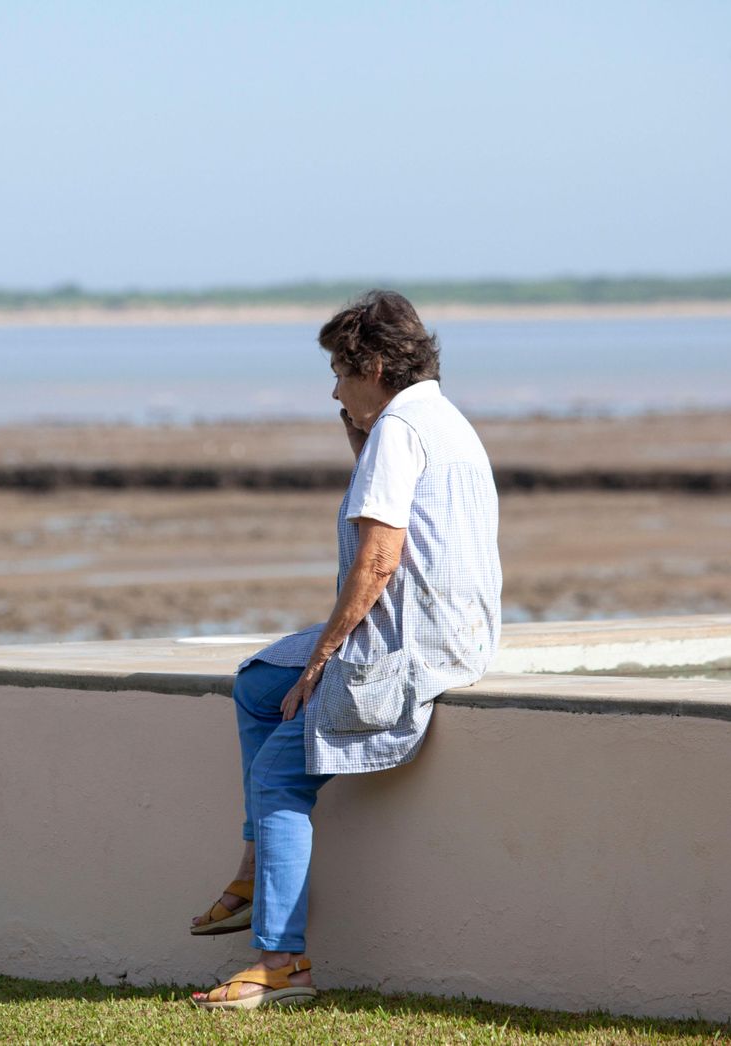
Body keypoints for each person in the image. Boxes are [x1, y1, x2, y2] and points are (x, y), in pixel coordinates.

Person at [190, 289, 502, 1010]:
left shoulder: (399, 431)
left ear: (379, 366)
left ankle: (281, 963)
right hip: (450, 636)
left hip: (405, 652)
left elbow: (379, 560)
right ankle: (252, 867)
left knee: (277, 777)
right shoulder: (439, 419)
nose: (333, 387)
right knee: (260, 683)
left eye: (341, 369)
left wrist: (326, 655)